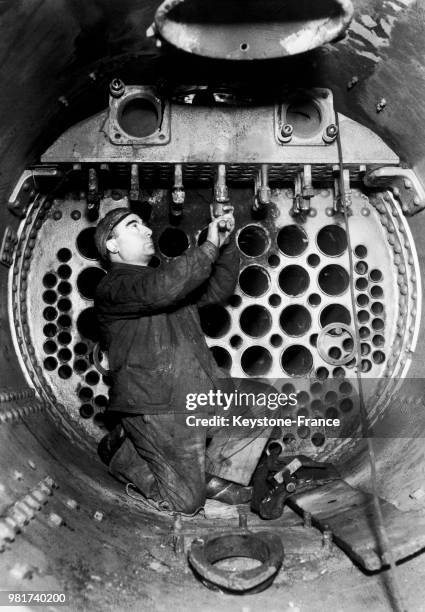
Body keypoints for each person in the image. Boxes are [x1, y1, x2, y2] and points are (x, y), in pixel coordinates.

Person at [94, 205, 272, 514]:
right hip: (160, 406)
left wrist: (225, 244)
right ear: (112, 245)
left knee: (266, 402)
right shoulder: (113, 287)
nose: (148, 230)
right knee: (186, 503)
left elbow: (217, 289)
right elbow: (161, 289)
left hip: (202, 390)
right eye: (134, 226)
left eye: (144, 224)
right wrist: (209, 245)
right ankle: (125, 456)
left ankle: (214, 477)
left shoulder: (166, 283)